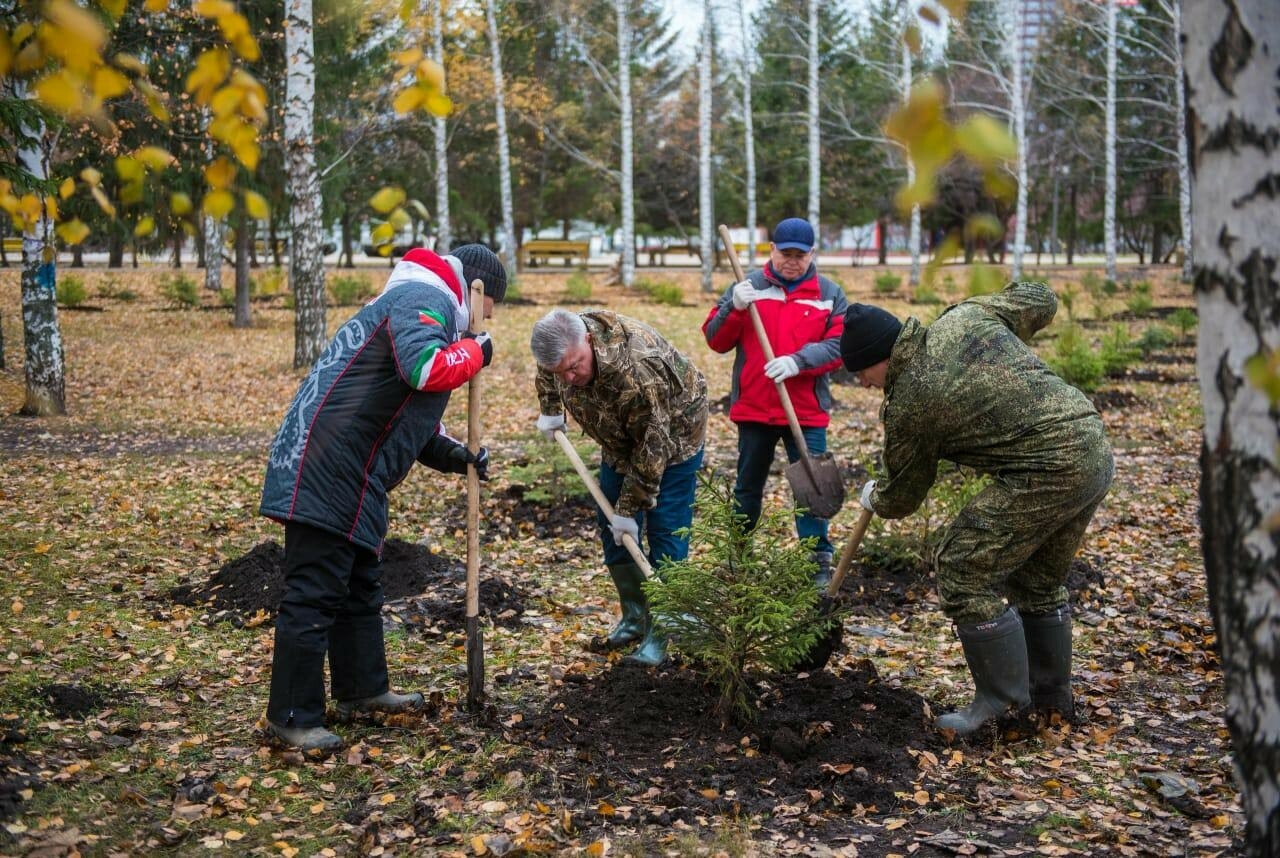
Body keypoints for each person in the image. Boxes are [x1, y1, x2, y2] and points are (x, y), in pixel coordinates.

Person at [259, 244, 507, 752]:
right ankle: (292, 716)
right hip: (325, 466)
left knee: (357, 590)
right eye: (492, 309)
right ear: (478, 291)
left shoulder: (426, 303)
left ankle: (362, 691)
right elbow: (425, 369)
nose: (489, 320)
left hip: (354, 472)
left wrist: (460, 456)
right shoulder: (425, 297)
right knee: (315, 595)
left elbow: (409, 421)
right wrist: (477, 351)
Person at [842, 280, 1114, 737]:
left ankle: (1004, 707)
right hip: (1091, 448)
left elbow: (904, 496)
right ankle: (1050, 702)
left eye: (860, 374)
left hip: (1046, 469)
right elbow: (1042, 298)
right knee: (1037, 581)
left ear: (879, 359)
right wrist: (1000, 348)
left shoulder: (912, 400)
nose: (863, 384)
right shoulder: (966, 318)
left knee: (962, 566)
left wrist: (875, 497)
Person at [531, 308, 707, 666]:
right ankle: (635, 615)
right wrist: (551, 408)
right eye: (560, 371)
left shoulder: (637, 369)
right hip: (618, 436)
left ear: (590, 341)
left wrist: (630, 509)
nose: (569, 376)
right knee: (611, 525)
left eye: (575, 365)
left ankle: (664, 628)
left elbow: (652, 444)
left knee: (665, 528)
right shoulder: (561, 347)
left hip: (673, 436)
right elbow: (550, 372)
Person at [702, 217, 848, 586]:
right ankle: (739, 554)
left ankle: (816, 560)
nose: (792, 261)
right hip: (755, 407)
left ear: (813, 254)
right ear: (772, 250)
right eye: (786, 254)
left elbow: (839, 346)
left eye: (801, 255)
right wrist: (733, 307)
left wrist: (799, 361)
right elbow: (715, 340)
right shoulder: (747, 286)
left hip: (806, 410)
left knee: (813, 485)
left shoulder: (829, 294)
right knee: (748, 484)